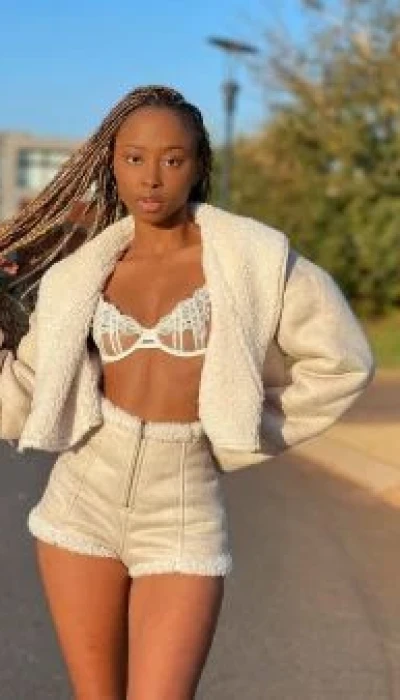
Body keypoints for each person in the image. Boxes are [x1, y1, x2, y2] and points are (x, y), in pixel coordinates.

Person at [0, 85, 375, 699]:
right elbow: (28, 392)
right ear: (111, 164)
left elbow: (341, 361)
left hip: (182, 508)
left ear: (198, 165)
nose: (152, 178)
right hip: (82, 497)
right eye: (134, 158)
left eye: (172, 159)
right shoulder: (79, 275)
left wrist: (250, 427)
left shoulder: (253, 257)